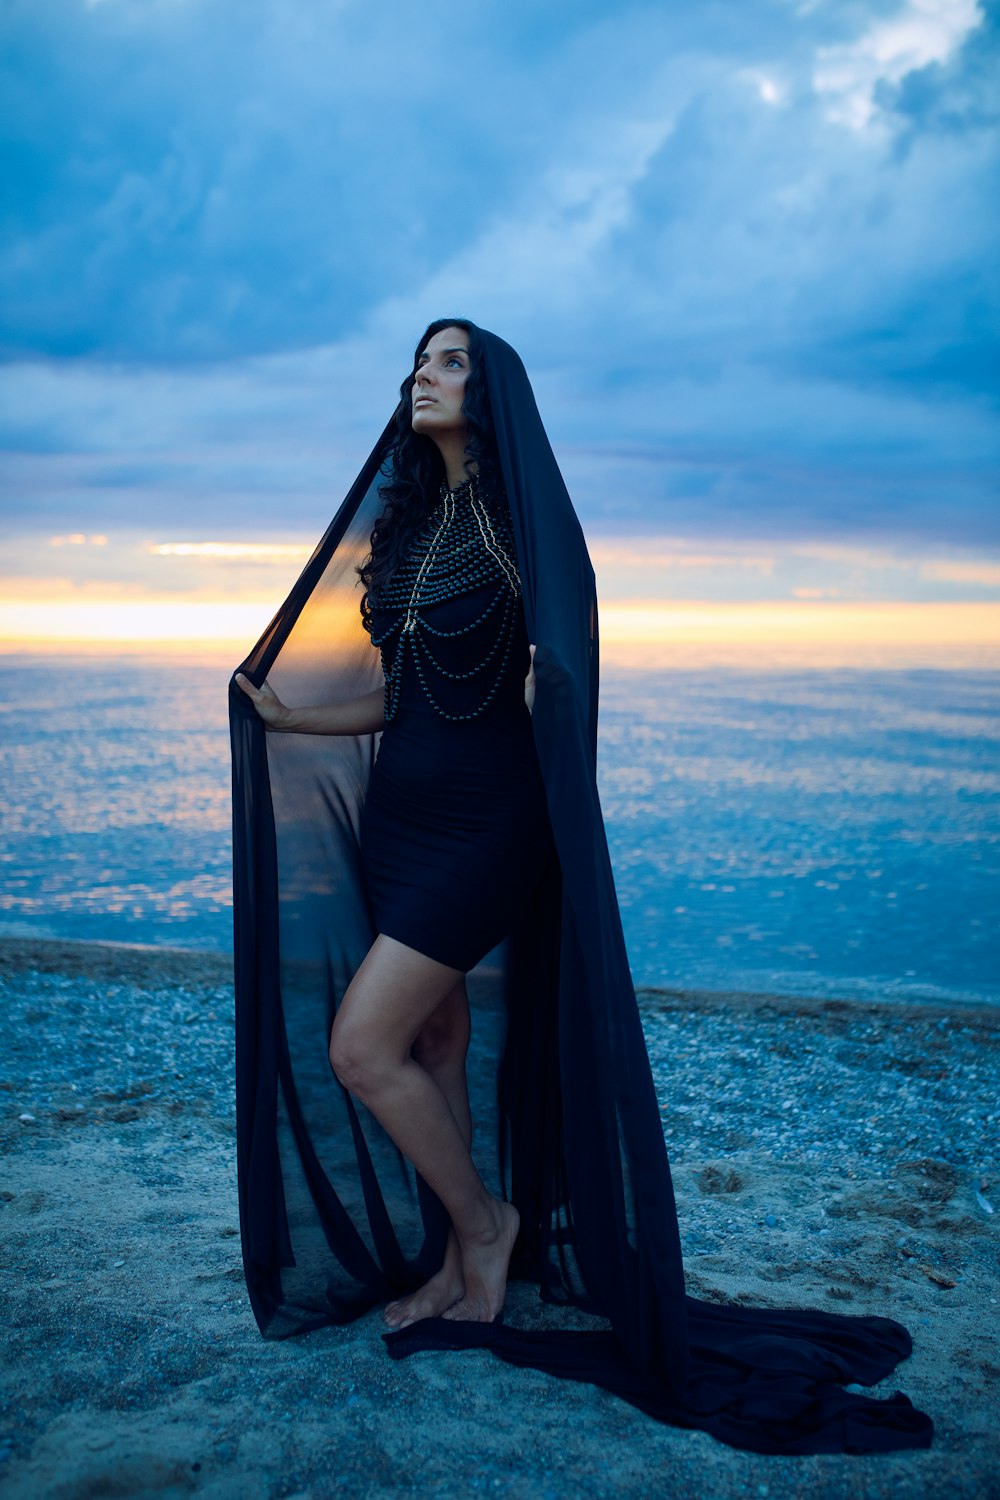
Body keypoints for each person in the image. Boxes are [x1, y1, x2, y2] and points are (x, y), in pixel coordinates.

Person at [229, 320, 933, 1454]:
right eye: (418, 361)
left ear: (495, 389)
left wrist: (558, 685)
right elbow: (404, 696)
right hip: (401, 820)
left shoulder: (523, 527)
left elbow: (570, 639)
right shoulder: (409, 528)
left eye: (450, 362)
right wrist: (292, 719)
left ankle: (488, 1225)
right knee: (435, 1043)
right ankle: (467, 1259)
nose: (424, 375)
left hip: (491, 824)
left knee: (363, 1048)